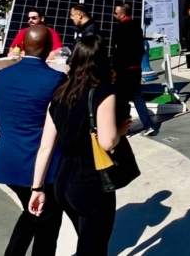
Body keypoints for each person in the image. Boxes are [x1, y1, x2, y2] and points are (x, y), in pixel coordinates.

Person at [28, 36, 131, 256]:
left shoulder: (60, 92)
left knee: (86, 240)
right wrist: (120, 132)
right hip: (91, 180)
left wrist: (37, 189)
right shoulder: (103, 92)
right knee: (93, 247)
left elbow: (46, 146)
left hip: (63, 180)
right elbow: (107, 141)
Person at [0, 25, 65, 256]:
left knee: (32, 213)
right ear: (50, 49)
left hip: (8, 159)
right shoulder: (57, 79)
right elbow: (63, 124)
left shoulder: (1, 76)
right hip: (42, 166)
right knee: (47, 225)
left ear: (22, 47)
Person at [113, 3, 158, 136]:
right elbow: (139, 48)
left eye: (116, 13)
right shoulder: (136, 27)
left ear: (122, 14)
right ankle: (148, 125)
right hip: (136, 68)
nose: (114, 15)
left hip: (124, 68)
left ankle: (123, 128)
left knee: (121, 98)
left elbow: (118, 51)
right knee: (137, 96)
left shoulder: (120, 28)